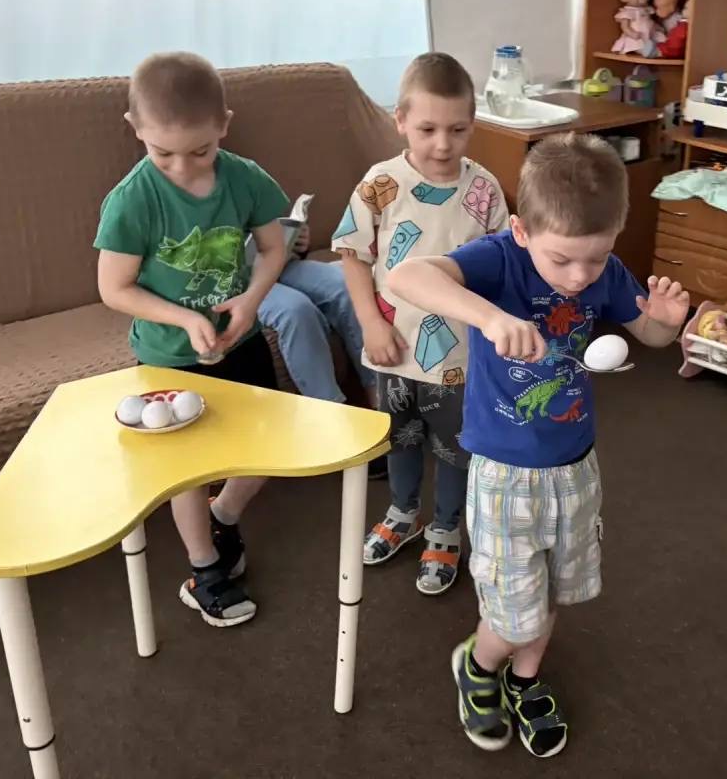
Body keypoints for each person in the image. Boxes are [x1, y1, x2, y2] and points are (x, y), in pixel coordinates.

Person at [388, 133, 690, 757]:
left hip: (575, 465)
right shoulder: (499, 260)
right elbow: (406, 276)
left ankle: (524, 679)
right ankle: (477, 665)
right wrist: (489, 317)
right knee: (512, 607)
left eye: (597, 258)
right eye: (563, 260)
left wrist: (665, 322)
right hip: (505, 472)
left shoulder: (603, 272)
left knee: (552, 589)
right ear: (522, 230)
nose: (580, 278)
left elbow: (648, 335)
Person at [95, 51, 288, 629]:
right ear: (135, 129)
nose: (181, 167)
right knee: (189, 470)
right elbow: (114, 288)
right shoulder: (132, 200)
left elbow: (274, 248)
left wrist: (250, 302)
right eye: (163, 153)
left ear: (224, 125)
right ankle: (204, 571)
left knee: (268, 448)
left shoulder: (245, 178)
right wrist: (183, 319)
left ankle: (222, 515)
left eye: (200, 151)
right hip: (168, 357)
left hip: (241, 341)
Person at [333, 52, 508, 595]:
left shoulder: (485, 190)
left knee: (455, 447)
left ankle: (446, 526)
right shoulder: (380, 183)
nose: (442, 144)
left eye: (458, 129)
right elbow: (353, 256)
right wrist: (370, 324)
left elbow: (503, 262)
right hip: (393, 348)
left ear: (473, 124)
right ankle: (403, 511)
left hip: (460, 356)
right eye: (428, 129)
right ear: (401, 120)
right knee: (401, 439)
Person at [257, 232, 386, 477]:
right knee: (296, 311)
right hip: (232, 280)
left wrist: (298, 239)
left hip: (280, 263)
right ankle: (333, 427)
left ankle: (381, 406)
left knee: (348, 286)